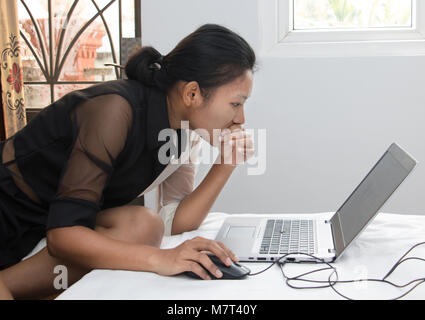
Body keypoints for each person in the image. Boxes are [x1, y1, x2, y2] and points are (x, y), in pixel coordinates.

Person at [0, 23, 256, 299]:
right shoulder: (114, 109)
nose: (241, 119)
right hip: (9, 208)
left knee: (146, 225)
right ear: (192, 93)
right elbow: (63, 235)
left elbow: (176, 223)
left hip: (47, 214)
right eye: (235, 104)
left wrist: (225, 164)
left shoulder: (183, 130)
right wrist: (161, 259)